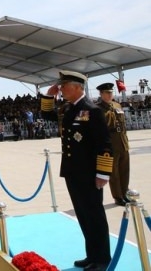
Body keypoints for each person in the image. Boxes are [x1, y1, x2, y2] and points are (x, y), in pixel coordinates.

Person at [40, 71, 112, 270]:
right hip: (72, 171)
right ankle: (92, 255)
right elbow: (47, 115)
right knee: (83, 215)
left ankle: (102, 259)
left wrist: (103, 173)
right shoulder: (68, 109)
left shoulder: (92, 110)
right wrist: (48, 96)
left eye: (64, 85)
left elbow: (104, 144)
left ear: (78, 87)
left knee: (95, 216)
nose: (61, 89)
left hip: (89, 173)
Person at [96, 82, 130, 206]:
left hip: (122, 141)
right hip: (110, 143)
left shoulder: (117, 105)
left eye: (111, 92)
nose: (110, 95)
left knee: (124, 170)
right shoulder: (97, 109)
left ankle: (125, 194)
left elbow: (123, 124)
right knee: (114, 172)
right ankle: (118, 197)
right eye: (107, 93)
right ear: (101, 94)